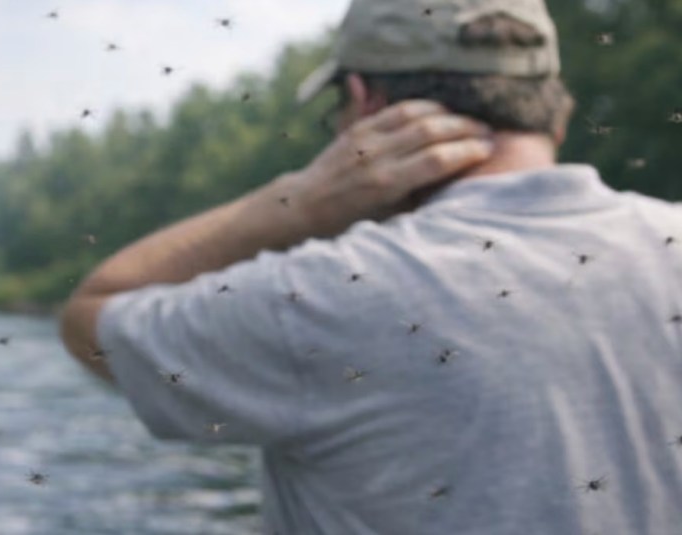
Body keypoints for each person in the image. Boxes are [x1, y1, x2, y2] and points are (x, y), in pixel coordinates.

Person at [59, 0, 682, 533]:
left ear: (366, 105)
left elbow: (93, 317)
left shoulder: (318, 296)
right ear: (556, 108)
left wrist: (291, 203)